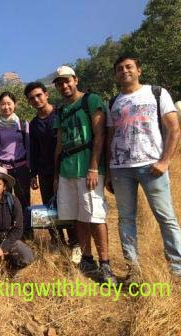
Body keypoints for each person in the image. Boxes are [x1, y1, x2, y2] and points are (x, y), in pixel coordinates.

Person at [105, 55, 181, 284]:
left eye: (129, 67)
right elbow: (110, 137)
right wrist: (109, 170)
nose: (124, 71)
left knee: (166, 217)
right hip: (120, 169)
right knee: (126, 219)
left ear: (139, 70)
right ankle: (134, 271)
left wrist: (164, 161)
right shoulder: (113, 101)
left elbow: (174, 129)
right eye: (120, 69)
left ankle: (177, 269)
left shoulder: (157, 93)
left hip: (152, 166)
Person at [52, 66, 116, 284]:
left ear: (75, 79)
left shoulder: (91, 100)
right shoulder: (62, 110)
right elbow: (59, 143)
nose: (64, 85)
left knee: (95, 215)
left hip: (87, 166)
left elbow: (100, 134)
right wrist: (55, 175)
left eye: (67, 81)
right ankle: (87, 260)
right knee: (78, 216)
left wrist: (94, 167)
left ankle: (105, 263)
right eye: (59, 83)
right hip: (66, 168)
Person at [24, 82, 80, 261]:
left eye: (39, 95)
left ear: (47, 94)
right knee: (50, 208)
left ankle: (75, 243)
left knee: (67, 206)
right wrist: (33, 174)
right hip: (44, 171)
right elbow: (34, 149)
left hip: (65, 169)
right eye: (32, 98)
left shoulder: (61, 113)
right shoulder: (33, 124)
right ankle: (57, 242)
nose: (36, 100)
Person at [0, 91, 31, 238]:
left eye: (9, 104)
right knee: (5, 202)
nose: (6, 107)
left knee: (24, 201)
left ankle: (26, 233)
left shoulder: (23, 124)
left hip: (21, 167)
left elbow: (29, 147)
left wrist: (30, 169)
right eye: (3, 104)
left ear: (15, 105)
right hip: (2, 170)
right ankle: (7, 232)